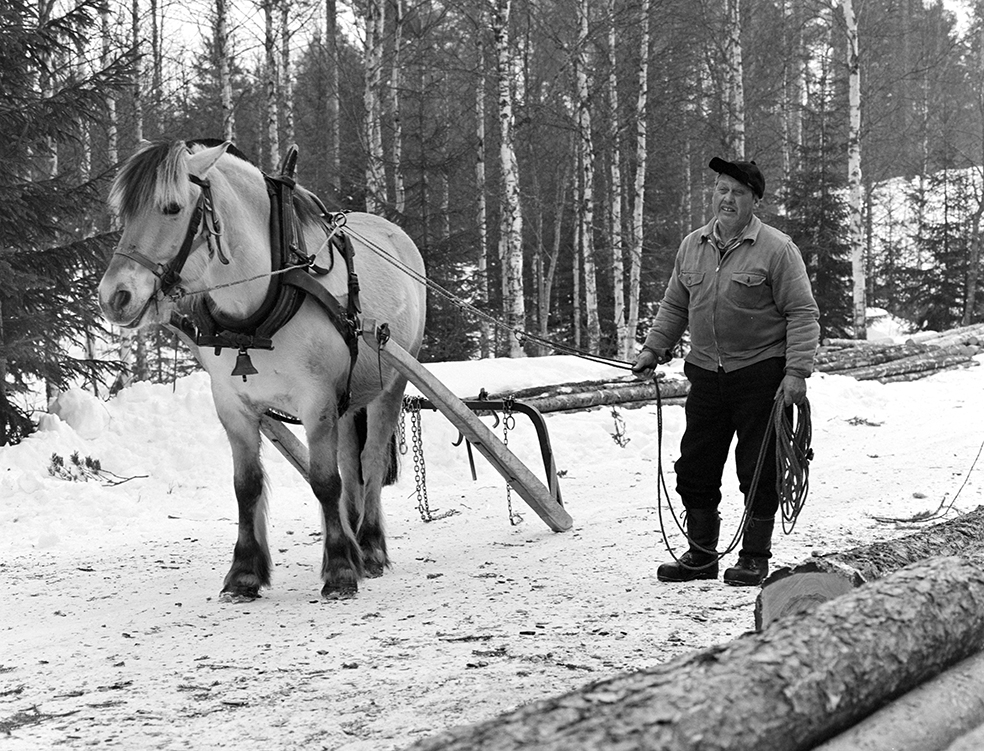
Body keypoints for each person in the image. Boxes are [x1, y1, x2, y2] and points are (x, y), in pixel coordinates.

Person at [632, 157, 820, 586]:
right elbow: (675, 306)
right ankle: (701, 556)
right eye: (721, 189)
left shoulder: (777, 249)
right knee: (695, 465)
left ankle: (754, 557)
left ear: (755, 200)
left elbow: (803, 313)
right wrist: (653, 349)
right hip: (705, 373)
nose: (727, 198)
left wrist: (796, 372)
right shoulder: (692, 245)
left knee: (759, 467)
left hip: (761, 375)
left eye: (737, 192)